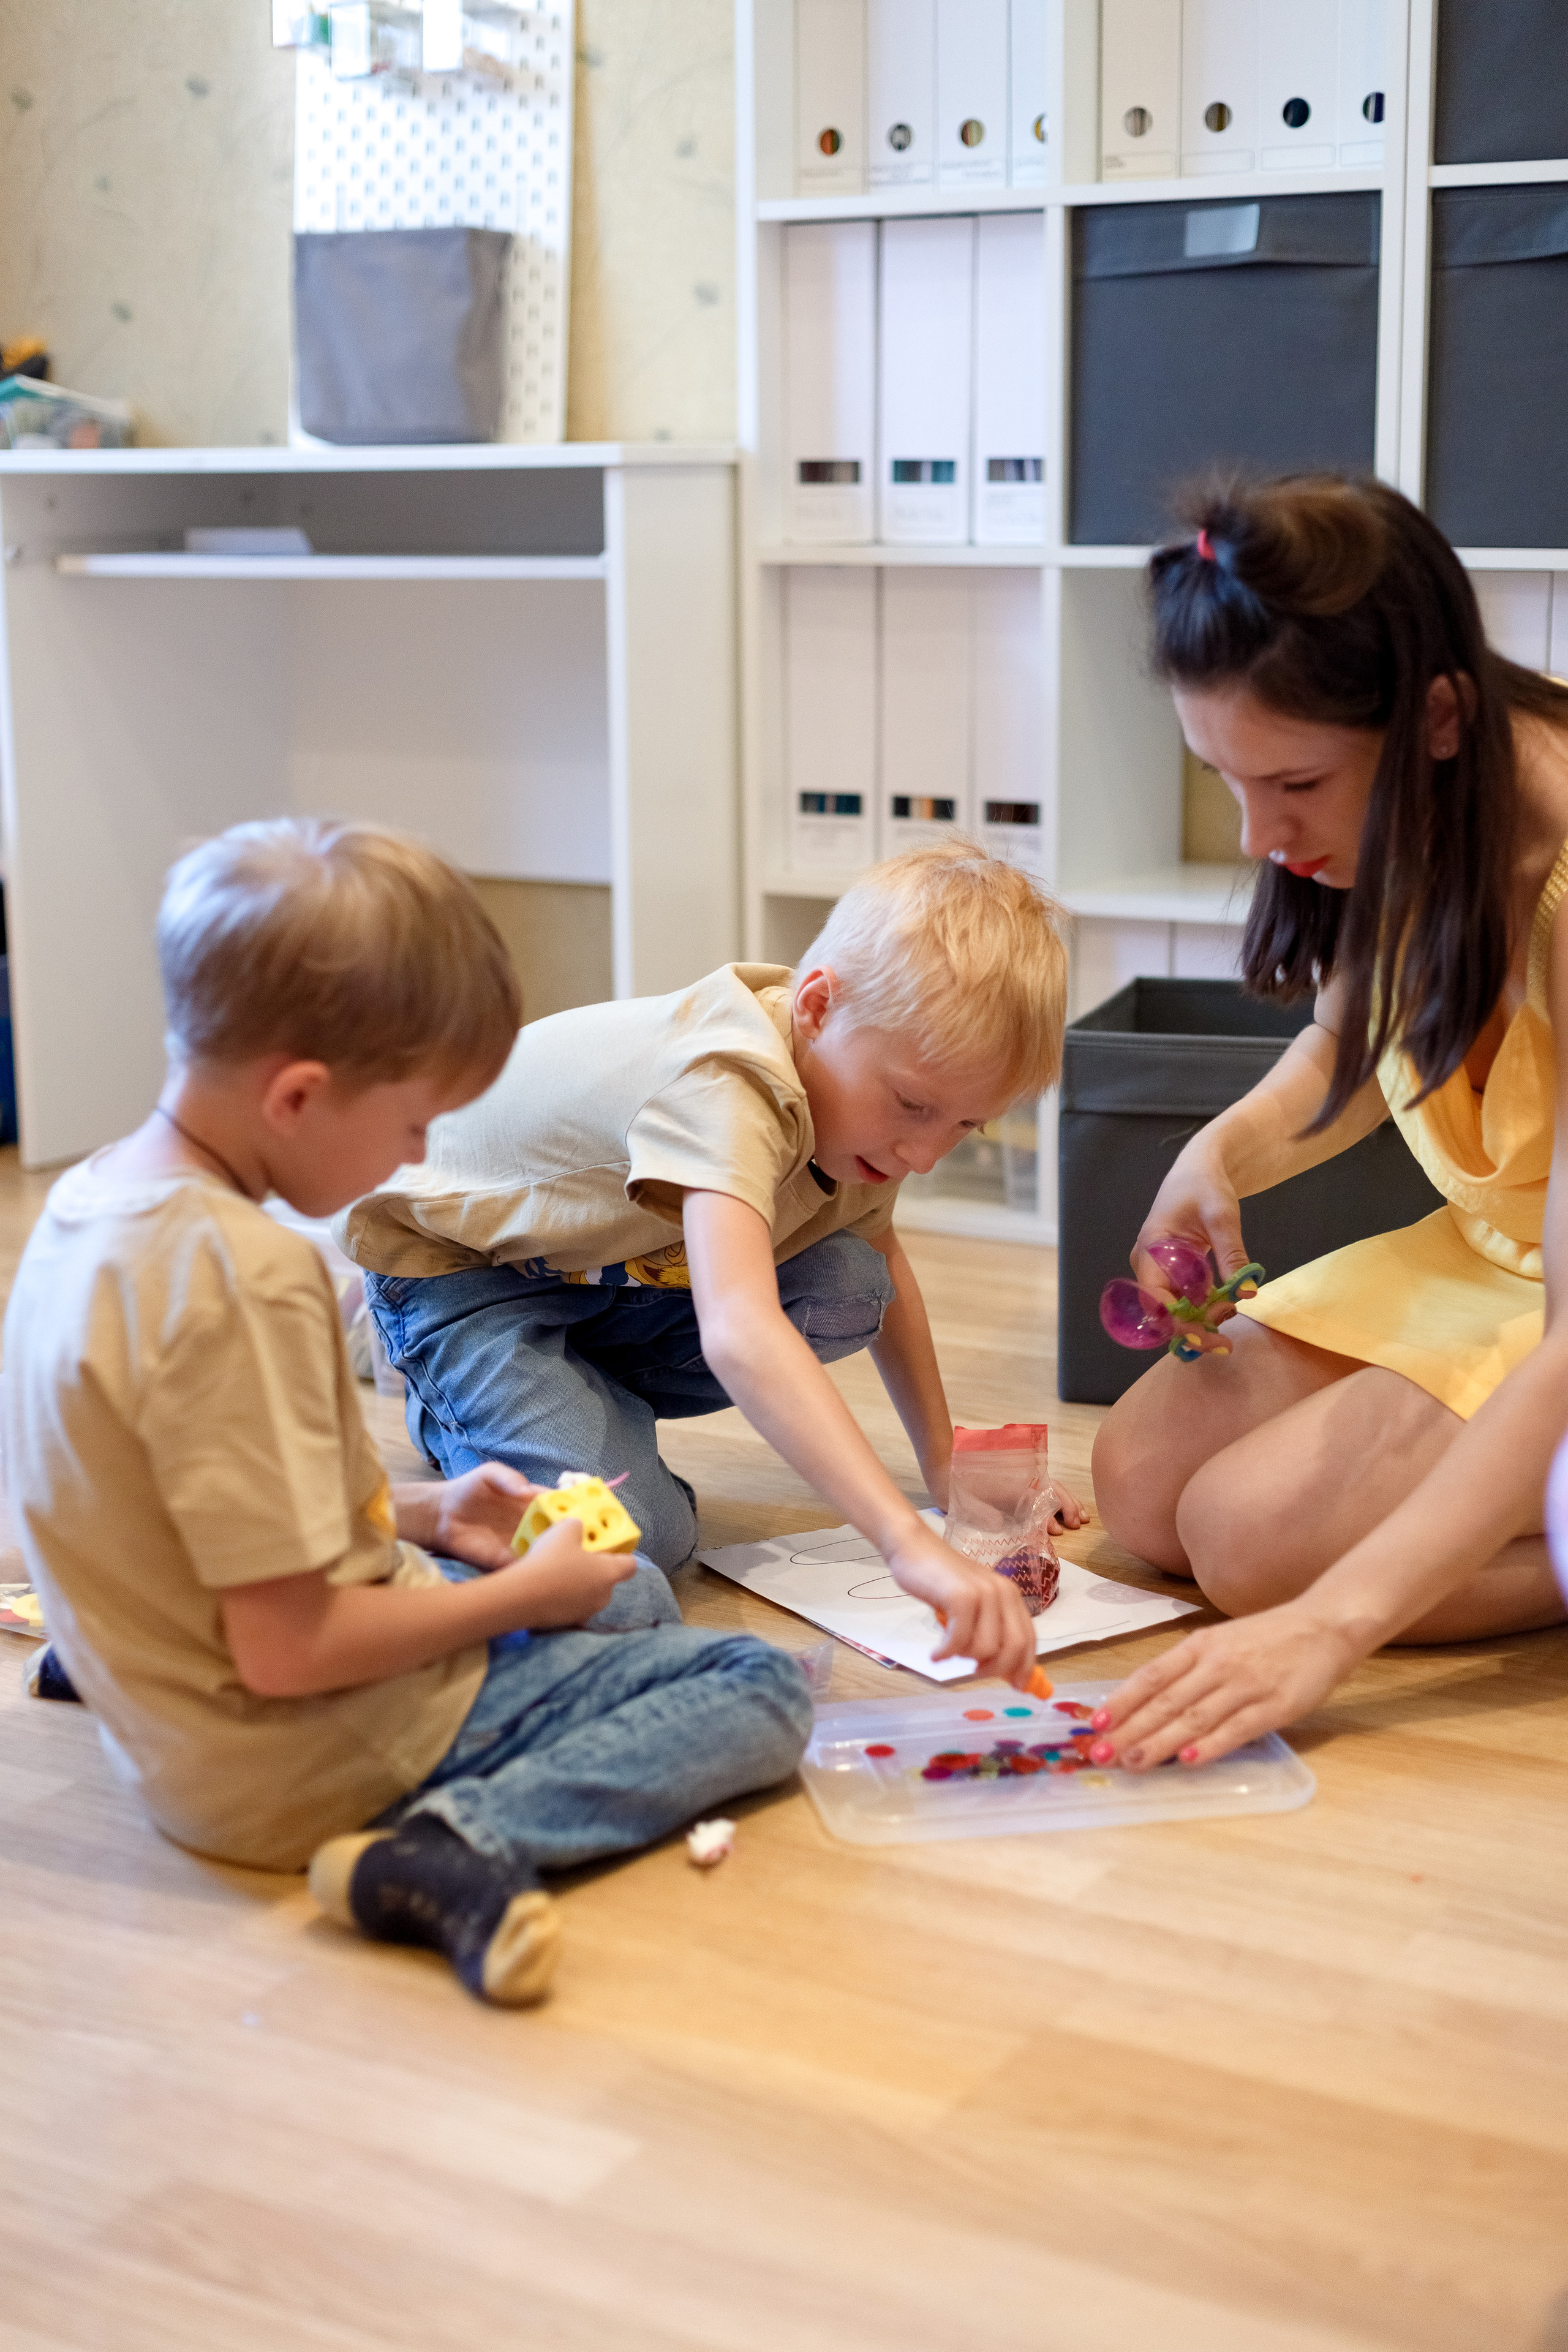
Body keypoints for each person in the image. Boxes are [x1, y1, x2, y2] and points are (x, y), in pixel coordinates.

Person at [4, 820, 813, 2005]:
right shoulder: (250, 1276)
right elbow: (290, 1650)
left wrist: (430, 1515)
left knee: (590, 1599)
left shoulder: (80, 1208)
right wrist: (520, 1598)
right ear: (297, 1095)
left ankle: (119, 1655)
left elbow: (178, 1489)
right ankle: (456, 1839)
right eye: (411, 1126)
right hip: (310, 1758)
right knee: (752, 1684)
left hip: (173, 1740)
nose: (418, 1156)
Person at [336, 843, 1078, 1688]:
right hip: (457, 1271)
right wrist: (904, 1543)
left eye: (964, 1127)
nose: (925, 1152)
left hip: (595, 1274)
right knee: (641, 1540)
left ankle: (563, 1394)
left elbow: (880, 1255)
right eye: (913, 1105)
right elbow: (741, 1333)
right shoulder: (728, 1080)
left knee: (850, 1287)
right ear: (817, 1006)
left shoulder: (864, 1113)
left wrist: (947, 1465)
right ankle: (439, 1392)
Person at [1089, 475, 1568, 1773]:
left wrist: (1328, 1627)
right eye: (1223, 780)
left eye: (1293, 782)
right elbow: (1344, 1051)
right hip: (1494, 1260)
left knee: (1250, 1550)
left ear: (1438, 719)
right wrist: (1215, 1156)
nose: (1261, 837)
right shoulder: (1421, 811)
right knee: (1138, 1482)